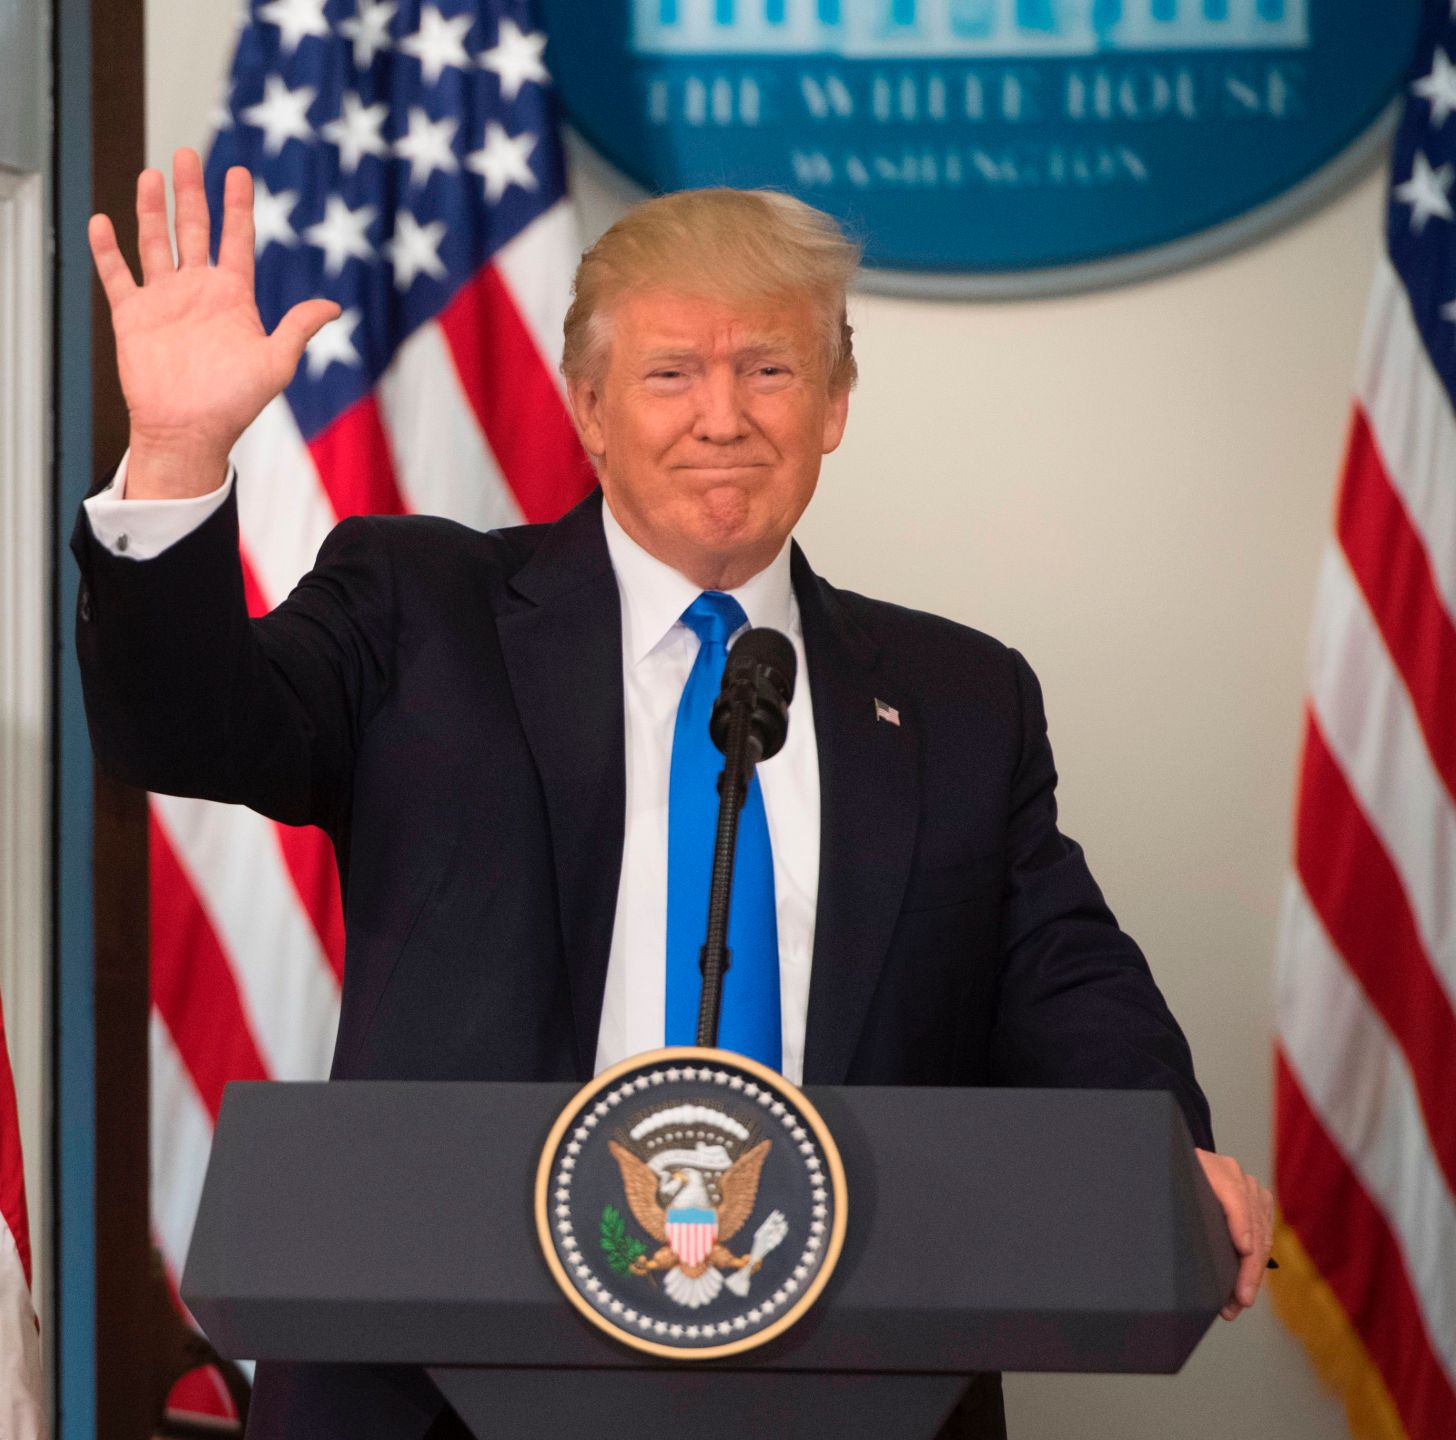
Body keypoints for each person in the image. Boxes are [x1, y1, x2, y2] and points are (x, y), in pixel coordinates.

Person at [75, 150, 1275, 1440]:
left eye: (769, 368)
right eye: (669, 374)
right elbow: (188, 730)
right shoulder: (420, 609)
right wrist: (176, 457)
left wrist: (1161, 1152)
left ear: (833, 403)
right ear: (587, 406)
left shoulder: (956, 697)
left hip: (855, 1377)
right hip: (432, 1394)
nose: (723, 416)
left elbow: (1065, 979)